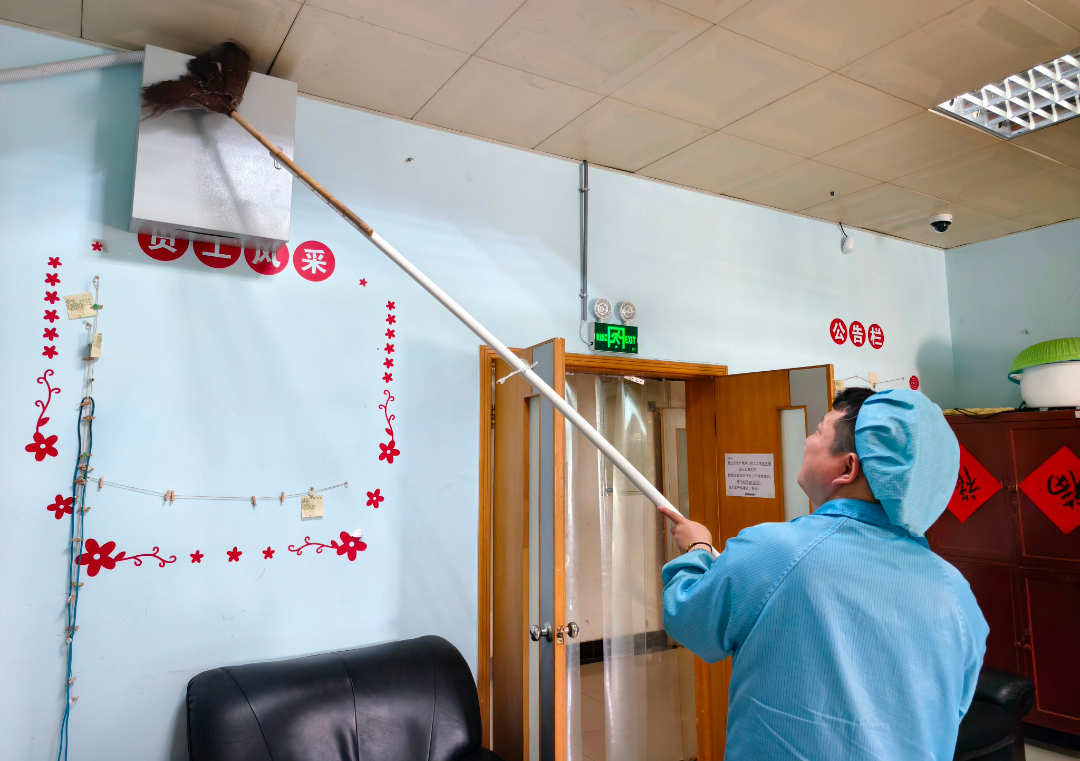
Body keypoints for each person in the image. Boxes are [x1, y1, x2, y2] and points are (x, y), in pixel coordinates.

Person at [658, 388, 988, 760]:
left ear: (848, 468)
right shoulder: (956, 592)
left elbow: (688, 618)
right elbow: (950, 710)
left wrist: (698, 549)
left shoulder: (776, 551)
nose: (806, 440)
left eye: (818, 431)